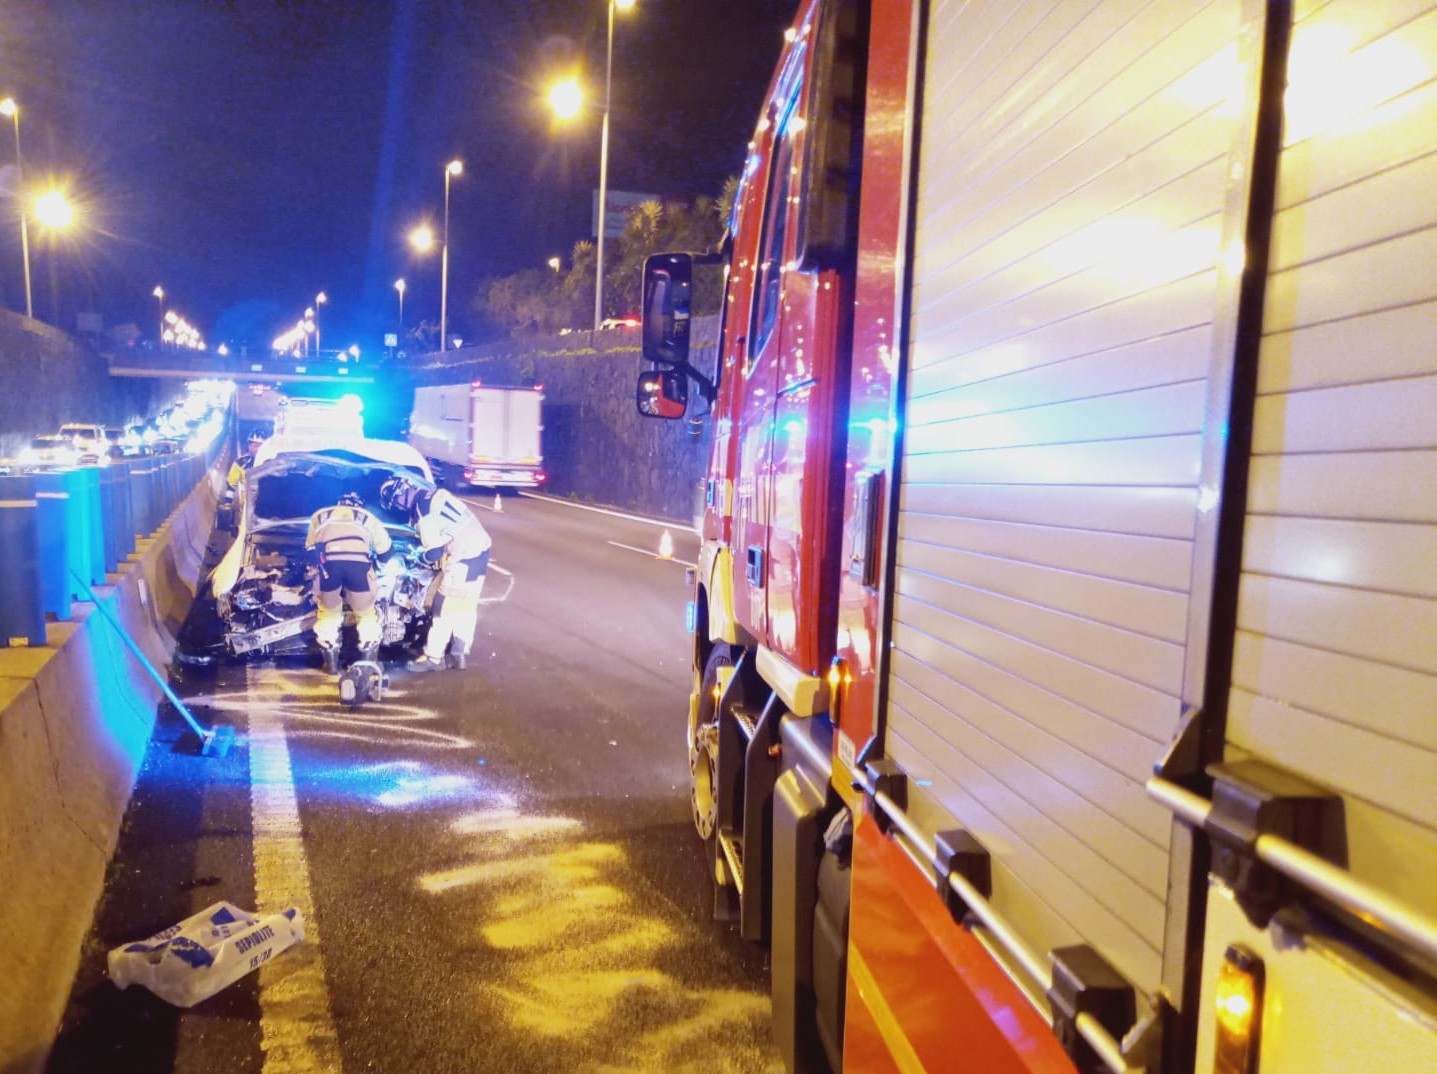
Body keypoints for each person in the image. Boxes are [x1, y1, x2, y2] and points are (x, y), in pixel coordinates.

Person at [379, 475, 491, 672]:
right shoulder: (436, 494)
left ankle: (434, 657)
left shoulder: (423, 510)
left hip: (464, 556)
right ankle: (459, 652)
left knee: (442, 606)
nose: (400, 508)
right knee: (465, 605)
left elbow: (434, 552)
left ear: (400, 495)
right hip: (481, 550)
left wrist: (418, 560)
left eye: (396, 503)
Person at [304, 490, 393, 674]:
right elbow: (386, 550)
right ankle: (368, 663)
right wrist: (377, 566)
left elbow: (310, 549)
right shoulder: (367, 517)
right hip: (358, 565)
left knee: (328, 613)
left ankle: (331, 665)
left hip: (329, 567)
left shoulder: (319, 515)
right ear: (358, 505)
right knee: (366, 613)